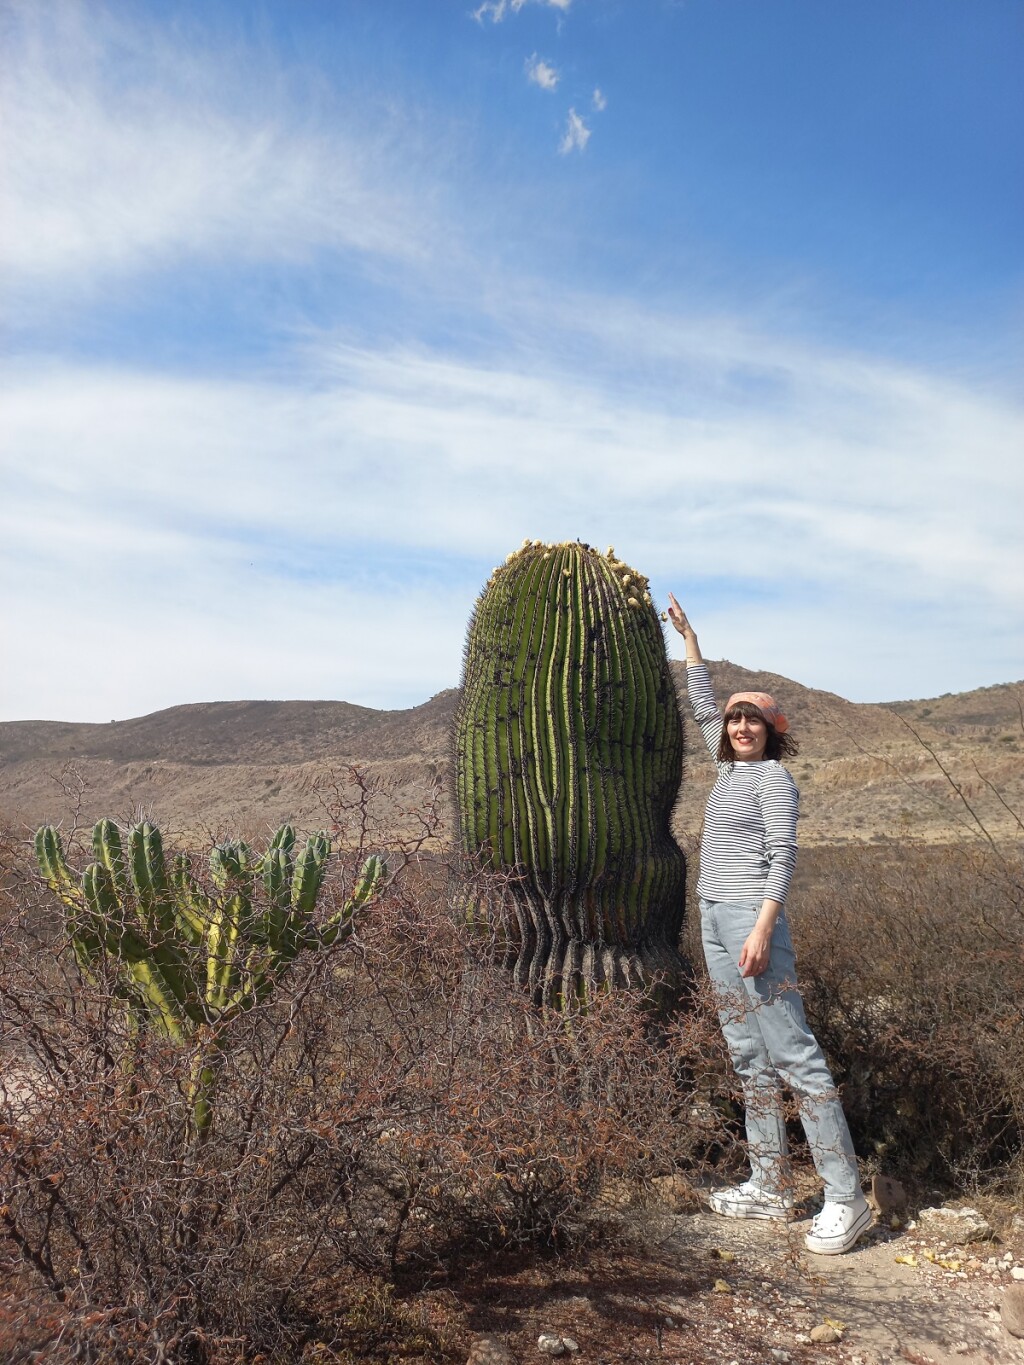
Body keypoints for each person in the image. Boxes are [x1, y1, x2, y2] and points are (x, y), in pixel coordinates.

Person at [666, 593, 871, 1256]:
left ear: (772, 729)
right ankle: (770, 1183)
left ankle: (846, 1196)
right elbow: (701, 705)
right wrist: (691, 640)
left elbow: (785, 856)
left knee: (794, 1055)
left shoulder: (774, 781)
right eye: (736, 718)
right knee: (748, 1056)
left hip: (753, 924)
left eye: (753, 718)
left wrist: (762, 927)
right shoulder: (726, 769)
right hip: (713, 915)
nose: (741, 725)